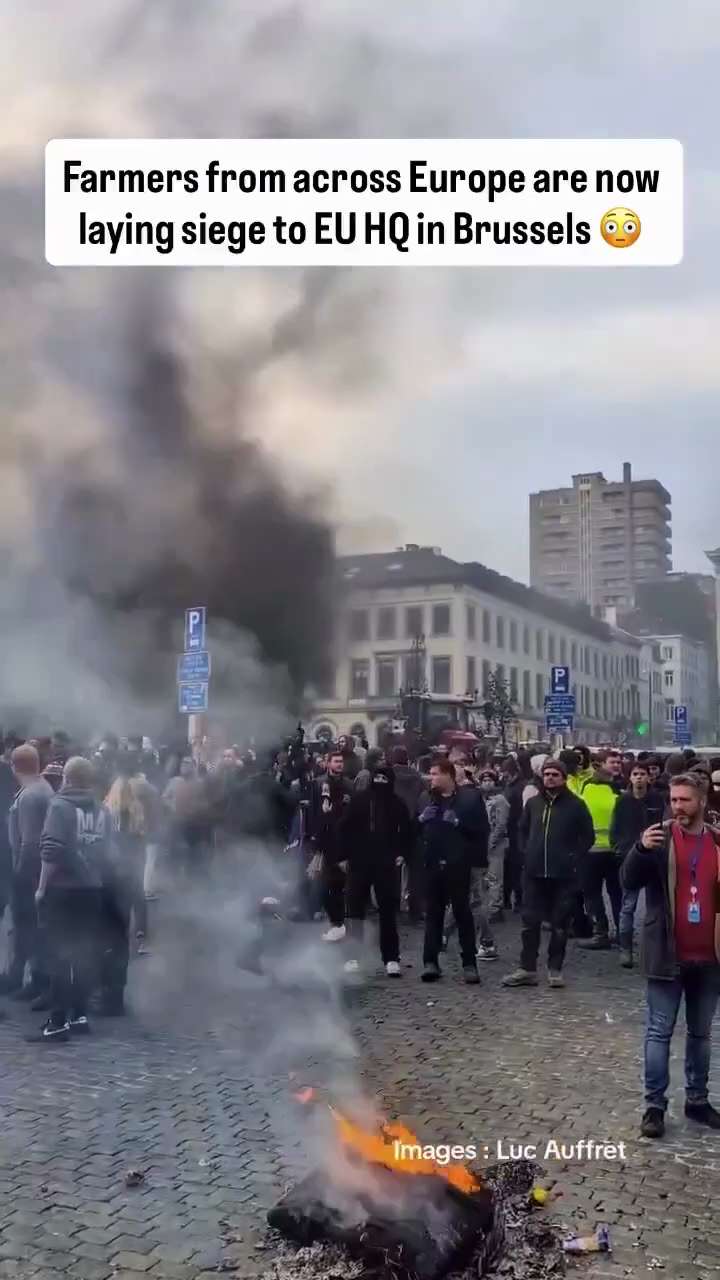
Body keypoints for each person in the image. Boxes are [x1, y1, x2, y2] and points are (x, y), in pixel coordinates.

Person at [622, 774, 720, 1138]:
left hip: (710, 958)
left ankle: (697, 1101)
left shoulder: (716, 841)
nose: (677, 806)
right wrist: (640, 850)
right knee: (659, 1032)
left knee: (701, 1035)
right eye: (674, 800)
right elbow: (627, 881)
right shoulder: (658, 839)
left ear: (702, 802)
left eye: (685, 800)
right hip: (667, 953)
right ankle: (654, 1107)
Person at [29, 756, 111, 1043]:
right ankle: (80, 1015)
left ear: (66, 778)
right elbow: (109, 851)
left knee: (60, 955)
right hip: (92, 889)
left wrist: (41, 888)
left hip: (63, 890)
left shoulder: (60, 806)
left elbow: (51, 850)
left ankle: (57, 1022)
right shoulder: (103, 809)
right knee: (85, 954)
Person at [503, 759, 594, 989]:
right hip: (534, 873)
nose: (550, 778)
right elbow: (521, 829)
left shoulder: (576, 805)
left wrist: (573, 857)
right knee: (529, 922)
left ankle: (555, 969)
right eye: (547, 774)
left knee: (560, 924)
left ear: (563, 778)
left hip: (563, 875)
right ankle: (527, 968)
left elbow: (588, 836)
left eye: (555, 774)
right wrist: (526, 851)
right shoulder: (533, 803)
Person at [418, 758, 488, 985]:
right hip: (431, 864)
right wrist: (420, 820)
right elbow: (413, 830)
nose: (432, 778)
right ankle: (430, 962)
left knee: (462, 913)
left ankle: (469, 963)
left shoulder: (469, 798)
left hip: (458, 864)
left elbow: (481, 830)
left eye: (436, 773)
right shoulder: (425, 798)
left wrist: (458, 823)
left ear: (449, 775)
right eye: (430, 774)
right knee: (433, 915)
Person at [342, 765, 412, 976]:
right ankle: (353, 956)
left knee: (388, 911)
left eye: (384, 778)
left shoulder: (397, 804)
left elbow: (407, 831)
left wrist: (401, 852)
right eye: (377, 777)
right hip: (359, 862)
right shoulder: (359, 800)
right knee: (355, 911)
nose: (380, 781)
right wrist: (344, 855)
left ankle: (391, 958)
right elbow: (344, 827)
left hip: (385, 864)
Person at [4, 744, 54, 1004]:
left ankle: (38, 980)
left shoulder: (30, 795)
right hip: (36, 871)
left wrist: (21, 876)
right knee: (29, 929)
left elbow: (29, 842)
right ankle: (27, 977)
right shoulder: (42, 787)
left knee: (29, 928)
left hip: (29, 872)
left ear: (14, 766)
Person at [611, 761, 665, 968]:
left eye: (643, 773)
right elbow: (615, 826)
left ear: (648, 777)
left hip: (655, 857)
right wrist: (618, 847)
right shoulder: (623, 801)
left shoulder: (657, 799)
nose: (639, 777)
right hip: (629, 856)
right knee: (628, 906)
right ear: (630, 778)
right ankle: (625, 948)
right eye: (635, 774)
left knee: (657, 904)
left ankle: (658, 948)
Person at [577, 755, 621, 949]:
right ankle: (622, 932)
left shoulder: (583, 796)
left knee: (592, 894)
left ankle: (600, 932)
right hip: (614, 852)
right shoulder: (618, 797)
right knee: (617, 894)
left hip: (590, 852)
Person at [309, 750, 353, 942]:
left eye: (341, 761)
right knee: (322, 882)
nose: (339, 764)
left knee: (339, 883)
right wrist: (313, 837)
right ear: (327, 763)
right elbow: (312, 812)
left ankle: (339, 922)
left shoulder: (349, 785)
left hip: (343, 840)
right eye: (335, 761)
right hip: (324, 840)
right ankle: (335, 920)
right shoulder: (318, 783)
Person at [474, 768, 509, 960]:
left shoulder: (500, 800)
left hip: (496, 845)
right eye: (484, 779)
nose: (486, 782)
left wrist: (491, 842)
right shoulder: (481, 800)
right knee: (486, 880)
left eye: (490, 779)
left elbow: (501, 824)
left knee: (496, 878)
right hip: (484, 845)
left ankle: (496, 908)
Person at [388, 746, 425, 922]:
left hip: (393, 828)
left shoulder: (388, 775)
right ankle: (415, 910)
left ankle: (394, 908)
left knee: (392, 870)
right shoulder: (417, 777)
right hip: (414, 827)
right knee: (416, 872)